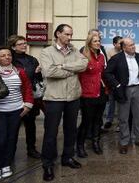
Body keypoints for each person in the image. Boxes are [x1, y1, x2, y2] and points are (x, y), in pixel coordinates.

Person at [40, 24, 88, 181]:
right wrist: (72, 70)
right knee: (51, 132)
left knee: (71, 130)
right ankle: (48, 163)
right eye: (67, 34)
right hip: (54, 98)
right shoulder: (47, 52)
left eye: (71, 34)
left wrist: (64, 66)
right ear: (58, 34)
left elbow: (84, 65)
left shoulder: (74, 50)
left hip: (73, 97)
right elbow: (49, 71)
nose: (70, 37)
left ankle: (67, 157)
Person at [0, 47, 33, 182]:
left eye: (9, 55)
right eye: (3, 55)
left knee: (11, 139)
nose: (7, 57)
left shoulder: (19, 71)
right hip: (0, 112)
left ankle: (6, 165)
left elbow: (27, 88)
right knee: (0, 140)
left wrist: (27, 105)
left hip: (16, 110)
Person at [104, 38, 139, 154]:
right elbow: (107, 73)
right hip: (124, 90)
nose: (133, 47)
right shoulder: (116, 59)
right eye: (130, 45)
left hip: (137, 89)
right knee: (123, 117)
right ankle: (124, 142)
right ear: (124, 48)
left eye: (134, 44)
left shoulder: (138, 56)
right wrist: (117, 85)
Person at [7, 35, 43, 159]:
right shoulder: (9, 60)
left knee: (30, 124)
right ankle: (10, 152)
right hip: (14, 97)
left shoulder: (32, 59)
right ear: (13, 47)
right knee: (13, 126)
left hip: (30, 96)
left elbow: (38, 79)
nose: (24, 45)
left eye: (25, 43)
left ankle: (31, 149)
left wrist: (38, 73)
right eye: (20, 44)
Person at [76, 33, 107, 158]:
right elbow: (78, 76)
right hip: (87, 94)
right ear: (89, 43)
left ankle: (96, 143)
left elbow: (102, 73)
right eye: (95, 41)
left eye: (99, 40)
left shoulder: (101, 56)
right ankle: (80, 145)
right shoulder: (83, 56)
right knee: (86, 121)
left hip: (101, 93)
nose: (98, 43)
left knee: (98, 120)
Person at [104, 35, 122, 130]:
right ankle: (109, 120)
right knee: (111, 102)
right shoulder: (109, 52)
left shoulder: (124, 51)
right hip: (111, 81)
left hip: (121, 81)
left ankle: (120, 122)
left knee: (121, 103)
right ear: (114, 44)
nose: (122, 44)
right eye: (120, 43)